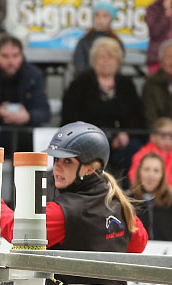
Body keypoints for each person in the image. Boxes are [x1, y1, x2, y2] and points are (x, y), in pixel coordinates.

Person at [0, 122, 149, 285]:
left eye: (67, 161)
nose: (57, 167)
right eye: (56, 160)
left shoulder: (66, 211)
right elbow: (138, 244)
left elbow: (17, 232)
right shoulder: (117, 202)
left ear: (89, 169)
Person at [61, 37, 144, 181]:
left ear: (118, 61)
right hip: (89, 139)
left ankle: (128, 195)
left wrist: (125, 133)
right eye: (102, 57)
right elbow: (70, 115)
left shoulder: (126, 84)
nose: (106, 61)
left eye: (111, 57)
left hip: (120, 140)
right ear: (93, 60)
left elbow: (136, 116)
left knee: (135, 148)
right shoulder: (80, 83)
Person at [0, 34, 50, 152]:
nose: (11, 61)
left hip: (25, 128)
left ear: (22, 56)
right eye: (5, 56)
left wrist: (28, 116)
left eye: (15, 56)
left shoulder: (34, 75)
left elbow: (44, 111)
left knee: (41, 132)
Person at [130, 152, 172, 242]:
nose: (151, 175)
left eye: (156, 171)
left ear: (162, 175)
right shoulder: (128, 200)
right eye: (146, 169)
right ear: (139, 172)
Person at [129, 117, 172, 192]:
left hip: (168, 197)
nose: (167, 141)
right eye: (163, 137)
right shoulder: (142, 156)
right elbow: (134, 176)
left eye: (171, 138)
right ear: (152, 137)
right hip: (144, 194)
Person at [73, 3, 123, 74]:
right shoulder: (84, 41)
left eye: (105, 16)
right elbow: (79, 66)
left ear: (111, 18)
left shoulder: (117, 43)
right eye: (97, 15)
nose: (100, 19)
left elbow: (117, 68)